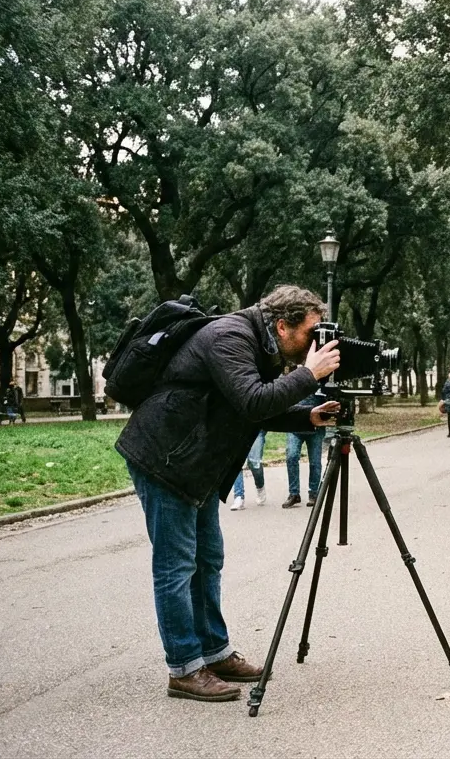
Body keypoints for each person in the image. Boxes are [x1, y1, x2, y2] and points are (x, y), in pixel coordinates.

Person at [115, 285, 341, 702]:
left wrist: (307, 415)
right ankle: (184, 668)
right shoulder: (230, 337)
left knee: (207, 560)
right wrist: (309, 375)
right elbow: (253, 401)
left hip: (194, 461)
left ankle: (214, 653)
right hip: (165, 457)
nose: (316, 342)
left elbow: (252, 408)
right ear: (282, 326)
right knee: (176, 566)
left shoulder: (260, 344)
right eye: (311, 333)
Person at [283, 391, 326, 508]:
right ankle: (294, 494)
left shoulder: (322, 383)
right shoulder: (294, 381)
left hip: (316, 428)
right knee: (291, 457)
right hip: (294, 427)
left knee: (315, 462)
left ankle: (314, 494)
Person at [227, 432, 267, 511]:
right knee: (237, 462)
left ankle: (260, 487)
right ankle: (239, 497)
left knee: (254, 464)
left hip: (257, 430)